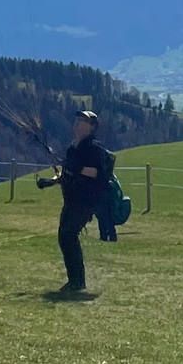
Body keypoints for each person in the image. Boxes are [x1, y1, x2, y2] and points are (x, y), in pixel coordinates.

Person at [37, 110, 114, 297]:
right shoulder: (73, 148)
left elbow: (96, 173)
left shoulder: (94, 148)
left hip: (86, 200)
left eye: (83, 122)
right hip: (72, 199)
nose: (78, 124)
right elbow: (67, 173)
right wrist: (51, 181)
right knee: (65, 237)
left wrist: (74, 167)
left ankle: (77, 281)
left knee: (68, 235)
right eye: (77, 120)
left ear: (92, 127)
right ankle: (75, 280)